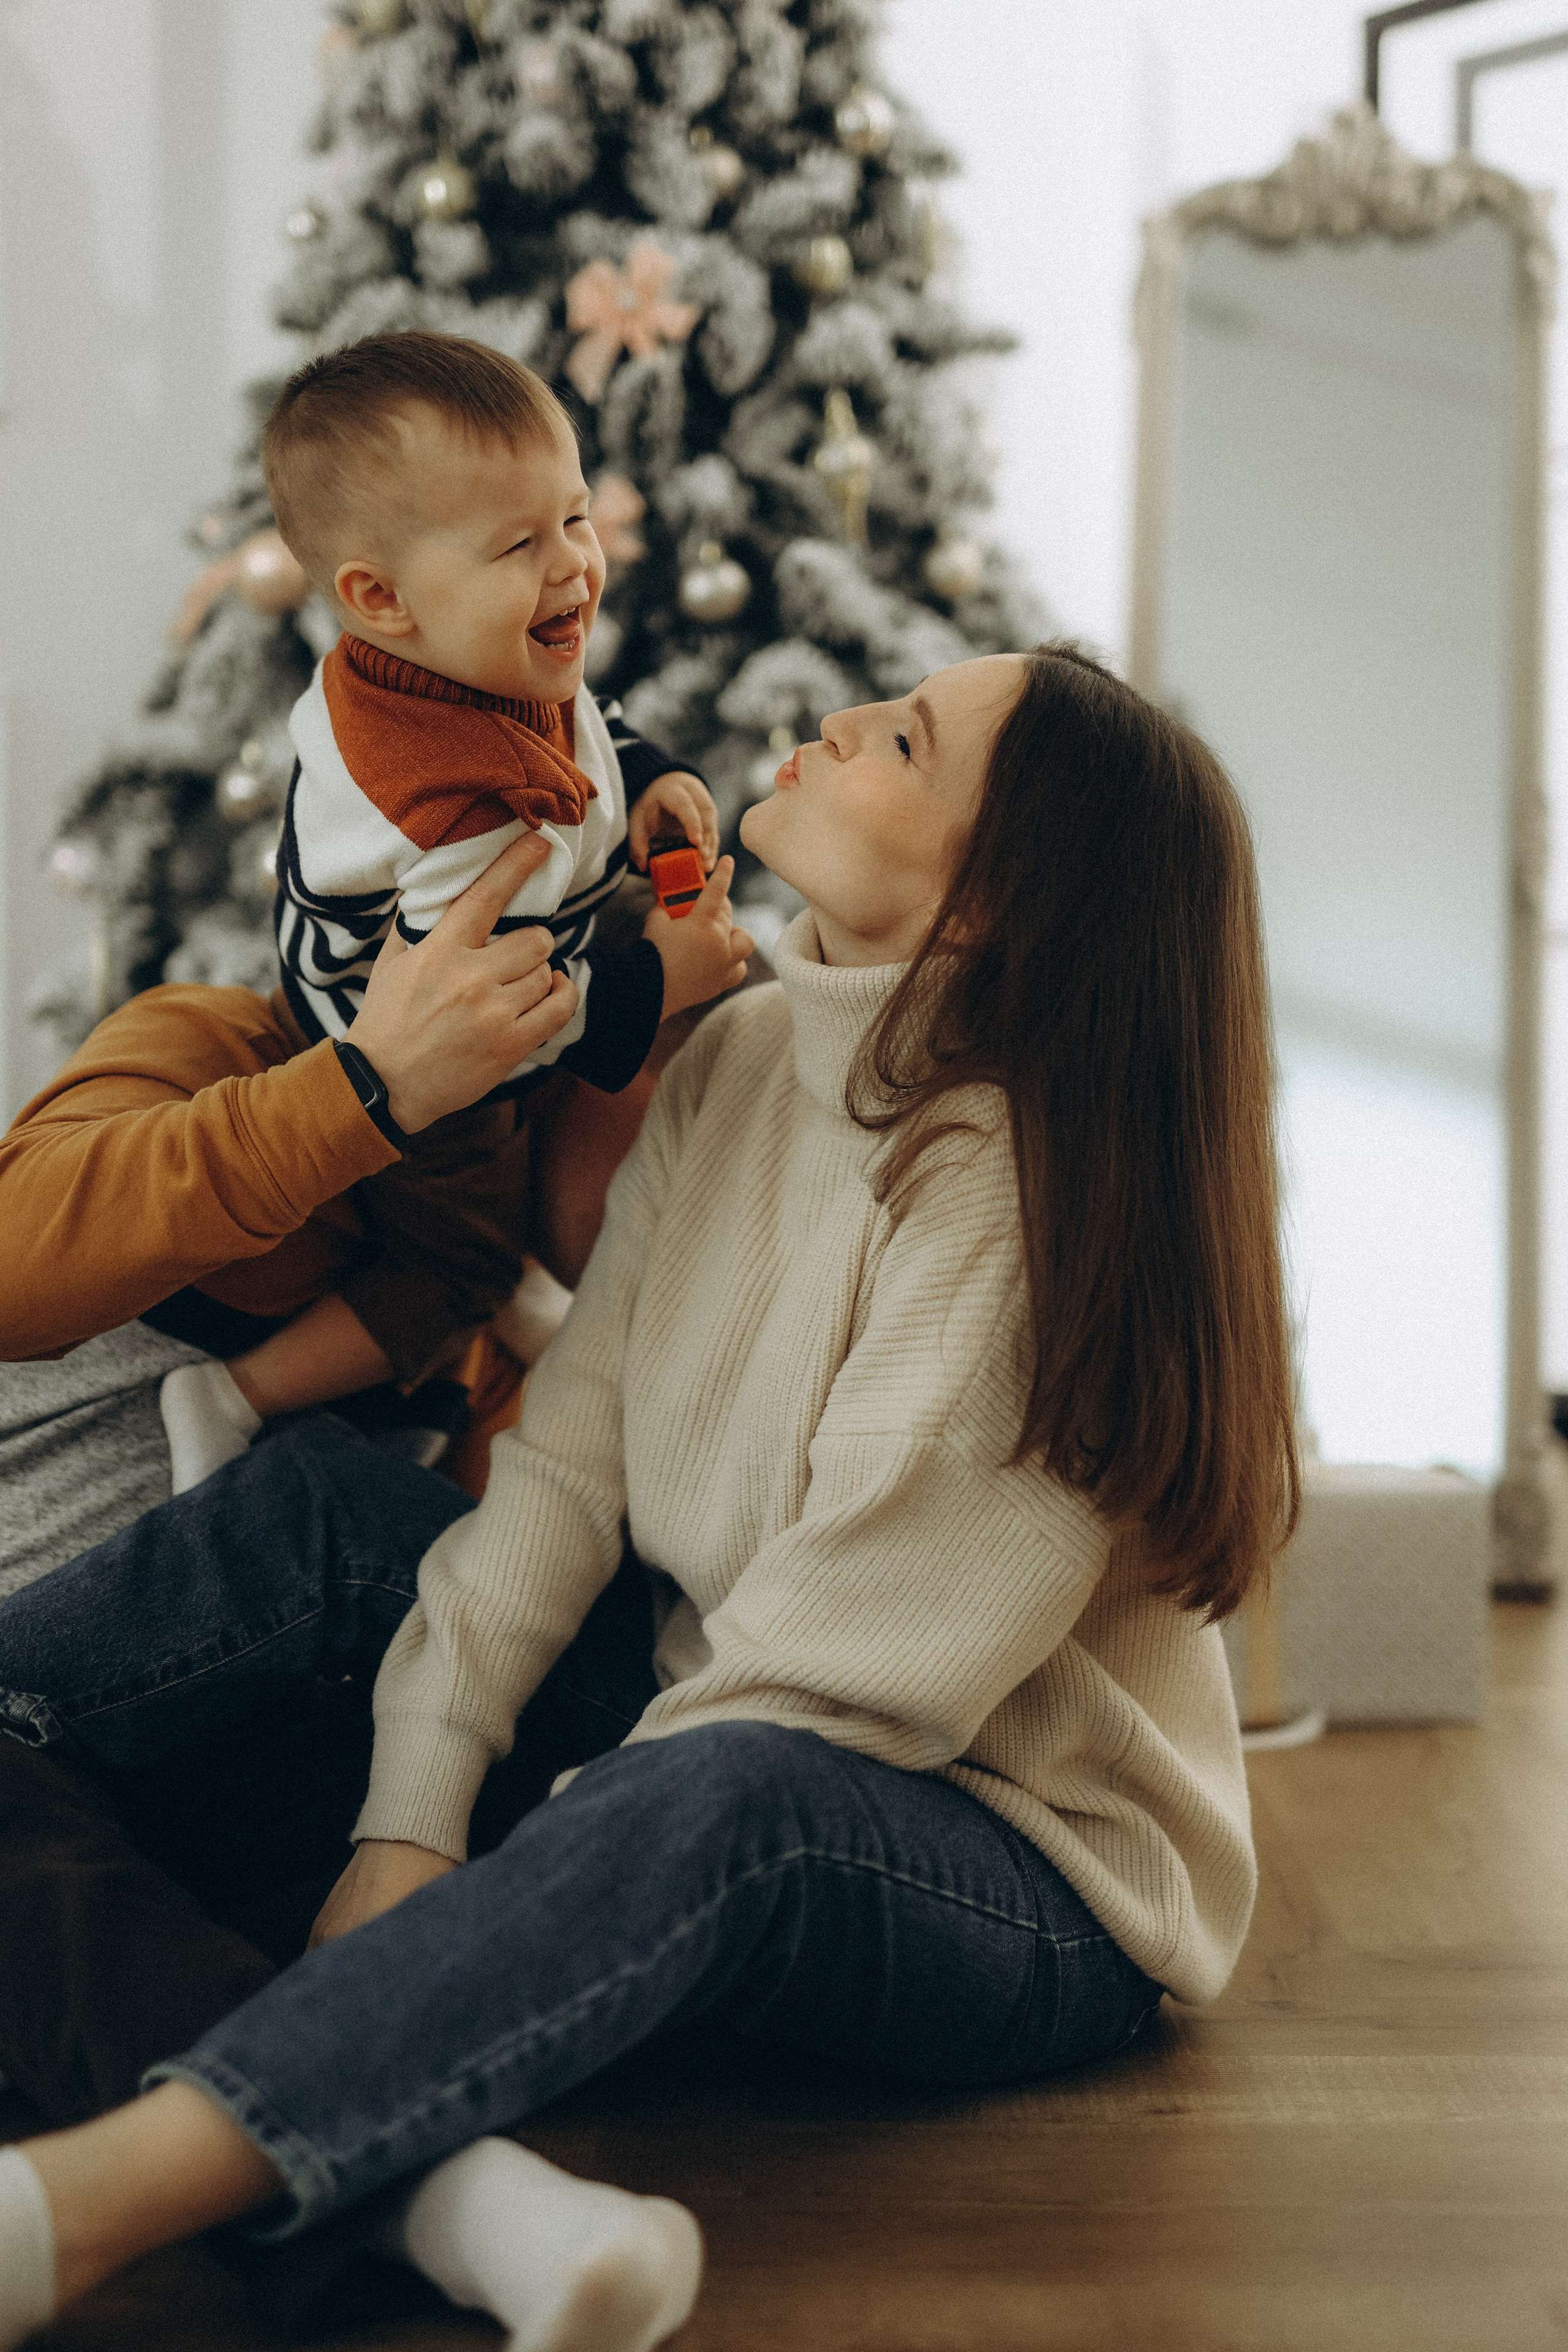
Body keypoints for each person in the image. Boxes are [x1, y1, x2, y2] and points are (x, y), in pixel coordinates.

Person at [0, 646, 1300, 2352]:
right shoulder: (742, 1060)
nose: (839, 719)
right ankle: (454, 2201)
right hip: (706, 1711)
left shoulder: (1024, 1194)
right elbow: (563, 1472)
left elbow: (839, 1687)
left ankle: (91, 2207)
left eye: (901, 741)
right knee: (310, 1516)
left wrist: (500, 1881)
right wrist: (408, 1822)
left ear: (1006, 901)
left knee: (729, 1793)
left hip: (1009, 1855)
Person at [154, 328, 750, 1488]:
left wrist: (652, 771)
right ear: (381, 599)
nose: (575, 565)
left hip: (514, 932)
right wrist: (656, 986)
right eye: (521, 544)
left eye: (576, 517)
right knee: (453, 1269)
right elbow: (485, 1024)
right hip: (418, 1057)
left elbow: (582, 715)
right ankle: (236, 1395)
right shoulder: (459, 814)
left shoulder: (472, 660)